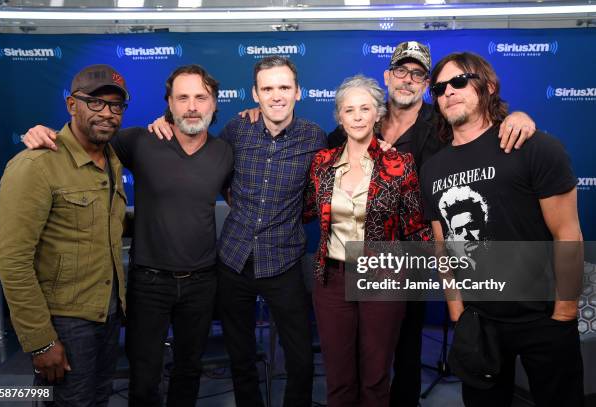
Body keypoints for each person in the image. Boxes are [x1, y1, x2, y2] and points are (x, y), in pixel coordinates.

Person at [240, 41, 538, 407]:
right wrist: (255, 113)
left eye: (417, 74)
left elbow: (479, 125)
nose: (408, 80)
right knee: (344, 373)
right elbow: (308, 203)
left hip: (395, 267)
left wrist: (516, 117)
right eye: (401, 71)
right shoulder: (330, 151)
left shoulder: (440, 121)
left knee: (399, 358)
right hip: (336, 273)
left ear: (426, 84)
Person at [21, 65, 234, 407]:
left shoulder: (226, 151)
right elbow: (80, 140)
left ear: (214, 103)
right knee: (144, 375)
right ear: (169, 103)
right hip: (149, 283)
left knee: (189, 370)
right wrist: (40, 133)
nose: (192, 106)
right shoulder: (138, 140)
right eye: (183, 97)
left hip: (202, 281)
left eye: (201, 97)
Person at [149, 56, 327, 407]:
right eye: (268, 88)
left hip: (284, 261)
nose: (276, 96)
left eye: (284, 87)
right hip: (233, 260)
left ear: (298, 92)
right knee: (240, 357)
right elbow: (205, 159)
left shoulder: (314, 137)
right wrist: (164, 121)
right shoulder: (237, 129)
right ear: (255, 94)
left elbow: (319, 191)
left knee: (301, 360)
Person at [420, 51, 584, 407]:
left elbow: (568, 234)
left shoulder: (534, 147)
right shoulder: (432, 169)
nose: (448, 91)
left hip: (544, 318)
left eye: (460, 81)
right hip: (479, 324)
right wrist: (458, 314)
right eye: (440, 87)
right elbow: (442, 247)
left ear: (488, 86)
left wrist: (564, 313)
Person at [0, 64, 129, 406]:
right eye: (96, 103)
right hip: (65, 325)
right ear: (72, 105)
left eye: (116, 106)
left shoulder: (112, 159)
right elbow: (12, 261)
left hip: (107, 315)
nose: (108, 113)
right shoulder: (35, 165)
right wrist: (40, 341)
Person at [303, 74, 432, 407]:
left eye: (365, 108)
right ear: (339, 117)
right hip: (332, 278)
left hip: (383, 276)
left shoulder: (399, 164)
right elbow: (303, 210)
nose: (358, 116)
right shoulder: (321, 164)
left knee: (375, 378)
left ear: (378, 113)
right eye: (349, 110)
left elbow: (416, 227)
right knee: (339, 378)